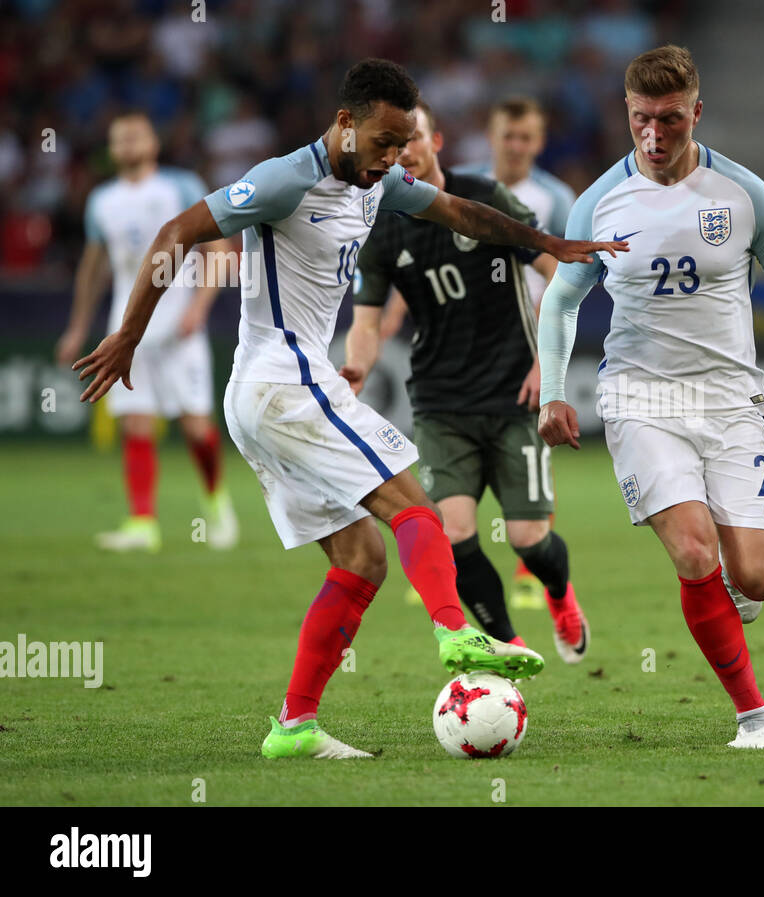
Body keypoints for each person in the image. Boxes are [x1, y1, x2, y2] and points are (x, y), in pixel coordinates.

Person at [73, 59, 625, 759]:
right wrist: (128, 334)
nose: (392, 160)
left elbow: (463, 212)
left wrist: (547, 243)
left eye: (402, 146)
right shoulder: (283, 179)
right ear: (345, 123)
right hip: (284, 379)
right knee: (415, 505)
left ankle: (294, 726)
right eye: (382, 143)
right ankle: (456, 630)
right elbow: (177, 233)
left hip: (271, 394)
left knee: (361, 558)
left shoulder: (378, 180)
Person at [536, 45, 764, 749]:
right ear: (626, 115)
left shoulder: (744, 194)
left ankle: (733, 593)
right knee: (695, 551)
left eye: (669, 120)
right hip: (639, 396)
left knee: (756, 578)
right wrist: (553, 390)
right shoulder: (599, 203)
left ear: (697, 111)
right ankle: (752, 715)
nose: (654, 136)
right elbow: (561, 300)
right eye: (641, 120)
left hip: (730, 401)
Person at [345, 101, 589, 664]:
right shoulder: (380, 228)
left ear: (438, 141)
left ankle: (559, 593)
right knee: (453, 534)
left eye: (413, 138)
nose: (402, 151)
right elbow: (366, 322)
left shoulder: (484, 196)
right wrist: (356, 368)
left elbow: (554, 270)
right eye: (391, 143)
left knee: (529, 540)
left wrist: (545, 362)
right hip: (440, 403)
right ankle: (510, 645)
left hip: (513, 396)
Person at [57, 111, 237, 553]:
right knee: (136, 423)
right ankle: (143, 522)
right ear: (111, 149)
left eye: (136, 135)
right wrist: (78, 326)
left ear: (154, 141)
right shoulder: (102, 201)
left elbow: (220, 250)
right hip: (126, 330)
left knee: (196, 426)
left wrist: (199, 305)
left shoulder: (182, 187)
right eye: (119, 138)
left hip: (179, 328)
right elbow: (95, 268)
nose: (128, 143)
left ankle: (215, 501)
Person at [457, 96, 577, 610]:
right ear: (492, 134)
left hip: (530, 344)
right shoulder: (466, 188)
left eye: (526, 137)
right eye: (509, 135)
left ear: (540, 141)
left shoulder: (557, 198)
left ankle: (530, 571)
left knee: (532, 459)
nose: (517, 146)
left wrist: (547, 354)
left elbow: (568, 274)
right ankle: (455, 565)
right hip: (469, 342)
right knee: (460, 453)